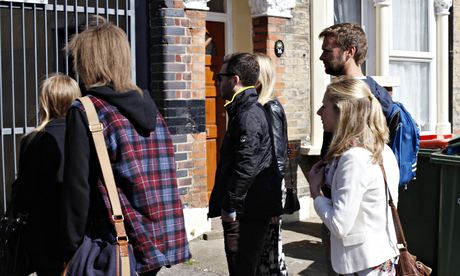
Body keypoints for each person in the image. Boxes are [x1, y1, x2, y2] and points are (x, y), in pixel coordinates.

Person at [61, 16, 190, 275]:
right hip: (157, 238)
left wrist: (70, 249)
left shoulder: (87, 110)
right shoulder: (151, 108)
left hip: (114, 243)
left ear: (88, 60)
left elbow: (78, 188)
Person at [318, 23, 395, 275]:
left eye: (328, 51)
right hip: (358, 232)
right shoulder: (347, 95)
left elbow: (367, 172)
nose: (321, 56)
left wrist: (316, 190)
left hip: (360, 246)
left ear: (349, 52)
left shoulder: (365, 97)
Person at [309, 78, 400, 275]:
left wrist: (315, 193)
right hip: (379, 257)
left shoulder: (354, 159)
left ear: (342, 112)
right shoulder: (382, 149)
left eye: (324, 106)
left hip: (364, 265)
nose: (319, 112)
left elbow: (339, 225)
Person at [208, 52, 283, 276]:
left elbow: (246, 164)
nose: (216, 81)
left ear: (235, 80)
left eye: (220, 77)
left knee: (242, 269)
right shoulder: (243, 110)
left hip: (247, 211)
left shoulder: (248, 114)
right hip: (247, 209)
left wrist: (230, 206)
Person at [11, 73, 81, 275]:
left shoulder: (32, 140)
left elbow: (24, 195)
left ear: (45, 101)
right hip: (79, 232)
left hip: (42, 234)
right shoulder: (87, 136)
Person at [254, 53, 288, 276]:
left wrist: (274, 201)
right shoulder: (257, 107)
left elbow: (278, 157)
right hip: (264, 188)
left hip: (270, 188)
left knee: (271, 253)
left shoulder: (270, 108)